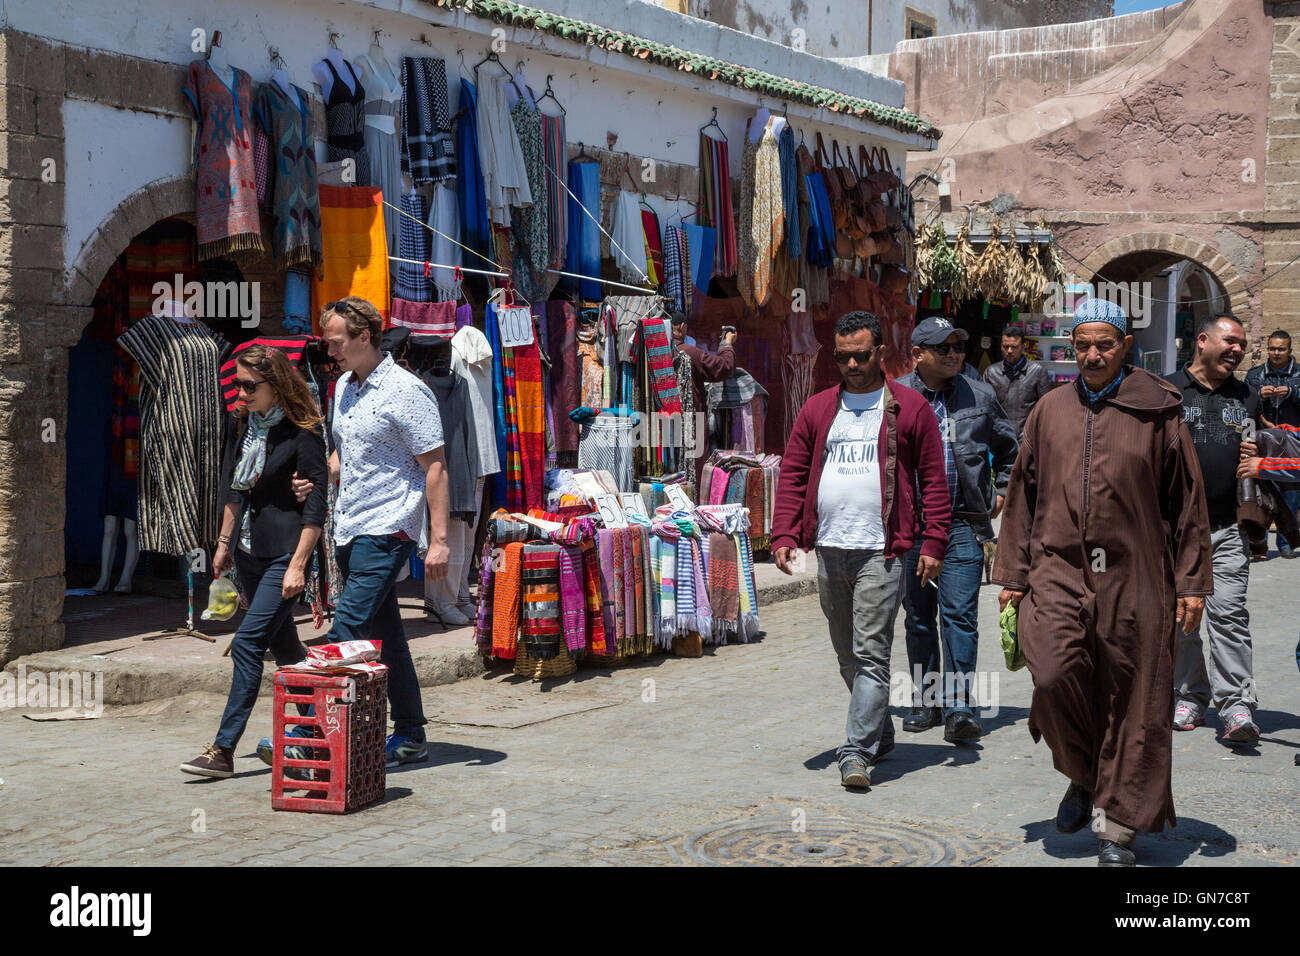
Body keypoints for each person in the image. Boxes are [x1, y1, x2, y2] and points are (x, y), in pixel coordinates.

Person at [993, 298, 1211, 867]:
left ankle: (1118, 828)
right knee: (1054, 672)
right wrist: (1014, 572)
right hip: (1058, 567)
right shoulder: (1049, 409)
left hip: (1136, 570)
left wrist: (1191, 581)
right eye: (1082, 344)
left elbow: (1186, 501)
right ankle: (1084, 774)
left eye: (1104, 344)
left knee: (1134, 695)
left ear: (1125, 347)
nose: (1091, 354)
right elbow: (1022, 492)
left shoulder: (1159, 409)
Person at [772, 310, 951, 790]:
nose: (852, 365)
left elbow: (934, 479)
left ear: (879, 353)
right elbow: (792, 473)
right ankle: (880, 727)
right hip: (830, 546)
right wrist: (785, 534)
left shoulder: (909, 408)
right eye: (844, 357)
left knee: (871, 652)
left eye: (861, 355)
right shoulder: (817, 409)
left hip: (883, 550)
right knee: (845, 652)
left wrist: (934, 540)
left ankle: (856, 751)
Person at [292, 296, 451, 767]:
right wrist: (320, 476)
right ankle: (411, 733)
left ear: (365, 337)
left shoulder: (407, 390)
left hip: (388, 528)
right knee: (387, 635)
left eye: (338, 342)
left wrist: (439, 541)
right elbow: (348, 452)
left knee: (346, 629)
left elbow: (435, 467)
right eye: (328, 342)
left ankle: (304, 732)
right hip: (351, 525)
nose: (331, 351)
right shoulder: (343, 386)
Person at [180, 346, 327, 779]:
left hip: (286, 552)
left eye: (249, 386)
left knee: (246, 643)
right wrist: (223, 542)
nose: (241, 393)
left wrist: (300, 564)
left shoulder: (304, 432)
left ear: (276, 384)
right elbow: (235, 489)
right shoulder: (244, 425)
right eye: (238, 385)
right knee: (288, 652)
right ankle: (320, 735)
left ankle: (222, 751)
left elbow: (316, 506)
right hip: (247, 553)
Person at [896, 317, 1018, 742]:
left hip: (963, 523)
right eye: (942, 348)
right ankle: (924, 701)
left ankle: (960, 706)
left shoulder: (980, 395)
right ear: (917, 354)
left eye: (957, 347)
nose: (953, 354)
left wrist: (1001, 487)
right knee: (918, 618)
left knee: (960, 617)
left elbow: (1010, 449)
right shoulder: (895, 397)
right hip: (912, 528)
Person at [1165, 314, 1261, 745]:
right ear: (1202, 341)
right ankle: (1189, 694)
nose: (1238, 350)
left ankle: (1236, 704)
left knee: (1229, 615)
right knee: (1181, 617)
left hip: (1226, 527)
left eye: (1242, 344)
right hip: (1174, 530)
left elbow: (1271, 445)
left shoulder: (1248, 396)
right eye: (1231, 341)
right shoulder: (1165, 391)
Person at [1244, 329, 1300, 556]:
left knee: (1291, 491)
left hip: (1292, 440)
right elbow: (1244, 401)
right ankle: (1260, 542)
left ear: (1290, 350)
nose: (1276, 353)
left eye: (1281, 349)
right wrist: (1259, 393)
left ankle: (1286, 542)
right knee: (1262, 491)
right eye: (1273, 348)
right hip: (1262, 440)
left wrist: (1292, 392)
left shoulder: (1298, 374)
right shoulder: (1255, 374)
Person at [670, 310, 737, 484]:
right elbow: (723, 367)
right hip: (692, 423)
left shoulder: (654, 353)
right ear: (683, 327)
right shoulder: (689, 353)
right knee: (696, 470)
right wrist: (727, 344)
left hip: (661, 424)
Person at [982, 324, 1053, 441]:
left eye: (1014, 347)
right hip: (999, 438)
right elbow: (985, 407)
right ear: (1000, 346)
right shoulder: (991, 372)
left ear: (1023, 347)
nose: (1009, 351)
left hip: (1028, 438)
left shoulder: (1038, 371)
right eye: (1005, 346)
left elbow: (1046, 409)